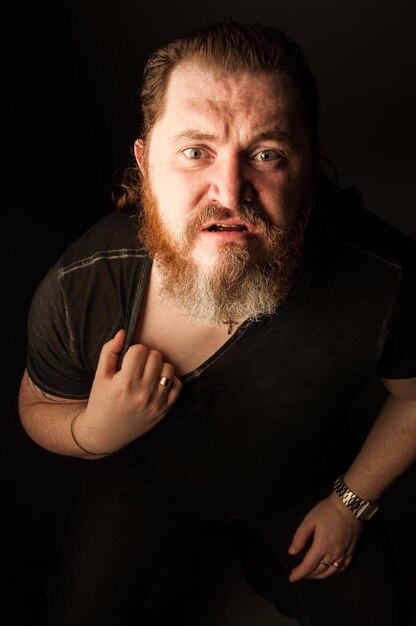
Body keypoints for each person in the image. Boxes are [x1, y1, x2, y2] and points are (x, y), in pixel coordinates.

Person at [18, 18, 416, 626]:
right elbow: (36, 404)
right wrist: (95, 432)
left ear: (311, 162)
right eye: (194, 151)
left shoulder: (385, 280)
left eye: (266, 154)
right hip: (143, 482)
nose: (230, 192)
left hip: (302, 483)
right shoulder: (84, 284)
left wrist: (351, 502)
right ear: (145, 161)